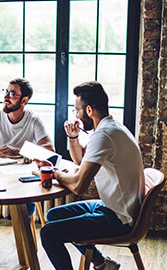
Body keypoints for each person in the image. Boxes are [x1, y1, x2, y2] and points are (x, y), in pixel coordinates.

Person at [36, 81, 145, 270]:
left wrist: (55, 174)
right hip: (117, 207)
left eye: (76, 110)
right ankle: (102, 264)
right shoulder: (110, 128)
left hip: (119, 218)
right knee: (53, 214)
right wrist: (73, 137)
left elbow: (79, 186)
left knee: (48, 233)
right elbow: (80, 160)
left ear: (88, 110)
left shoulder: (104, 135)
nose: (75, 114)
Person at [0, 78, 54, 270]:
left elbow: (49, 150)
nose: (6, 97)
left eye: (13, 94)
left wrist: (18, 150)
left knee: (24, 208)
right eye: (6, 92)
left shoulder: (33, 119)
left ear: (24, 101)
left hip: (23, 178)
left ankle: (25, 253)